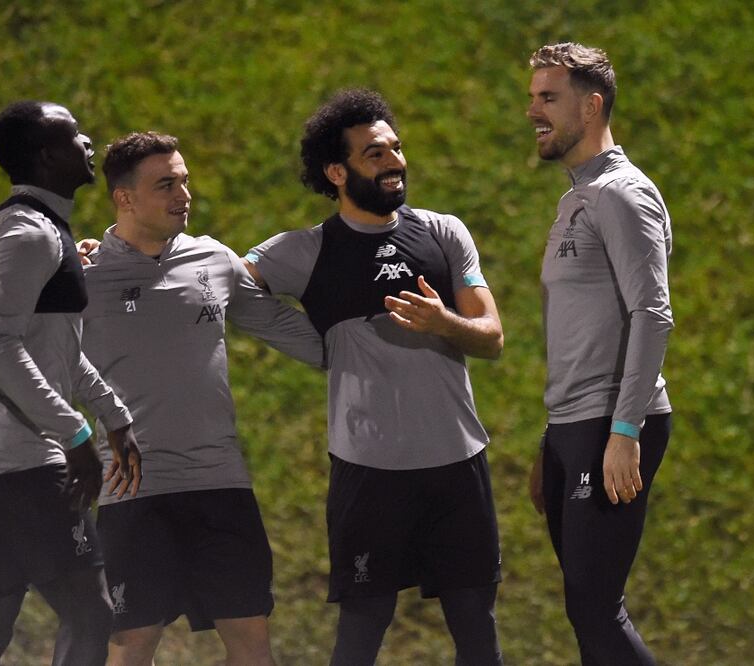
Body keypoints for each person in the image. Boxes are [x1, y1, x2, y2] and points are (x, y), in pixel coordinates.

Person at [244, 89, 505, 666]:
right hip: (370, 473)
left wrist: (445, 322)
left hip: (456, 465)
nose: (393, 161)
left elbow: (492, 337)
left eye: (395, 147)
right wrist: (311, 344)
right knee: (360, 634)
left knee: (477, 632)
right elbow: (225, 285)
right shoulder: (308, 251)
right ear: (336, 172)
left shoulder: (442, 232)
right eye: (374, 153)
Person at [78, 131, 324, 666]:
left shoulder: (212, 258)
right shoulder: (84, 276)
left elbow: (280, 324)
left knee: (252, 643)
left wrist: (364, 350)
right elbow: (44, 362)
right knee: (131, 645)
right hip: (132, 492)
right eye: (165, 185)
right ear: (124, 198)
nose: (183, 195)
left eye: (184, 181)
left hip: (220, 485)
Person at [0, 100, 142, 666]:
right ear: (45, 155)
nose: (89, 142)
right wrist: (76, 433)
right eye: (74, 135)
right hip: (21, 461)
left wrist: (113, 412)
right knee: (92, 613)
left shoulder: (43, 228)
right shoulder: (28, 235)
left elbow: (56, 352)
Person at [525, 43, 674, 665]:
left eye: (548, 98)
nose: (534, 111)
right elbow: (583, 328)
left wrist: (623, 430)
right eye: (532, 97)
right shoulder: (579, 194)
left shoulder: (620, 194)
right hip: (574, 426)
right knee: (586, 612)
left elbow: (652, 313)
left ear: (591, 106)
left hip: (610, 424)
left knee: (595, 605)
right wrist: (552, 438)